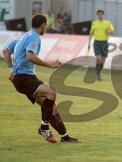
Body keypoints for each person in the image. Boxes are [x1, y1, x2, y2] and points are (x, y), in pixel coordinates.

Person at [11, 14, 83, 143]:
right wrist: (50, 65)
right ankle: (44, 127)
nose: (47, 27)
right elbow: (30, 56)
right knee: (52, 91)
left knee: (52, 108)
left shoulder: (27, 35)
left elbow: (13, 52)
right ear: (43, 24)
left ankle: (65, 137)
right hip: (24, 78)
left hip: (23, 77)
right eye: (46, 25)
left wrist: (13, 71)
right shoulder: (34, 37)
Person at [89, 9, 114, 81]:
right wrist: (89, 42)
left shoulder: (108, 23)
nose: (100, 15)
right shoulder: (94, 23)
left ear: (104, 15)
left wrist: (108, 31)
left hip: (105, 43)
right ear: (97, 15)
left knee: (103, 60)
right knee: (99, 58)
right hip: (97, 42)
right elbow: (91, 33)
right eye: (99, 14)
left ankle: (98, 74)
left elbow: (112, 32)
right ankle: (98, 74)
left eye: (102, 14)